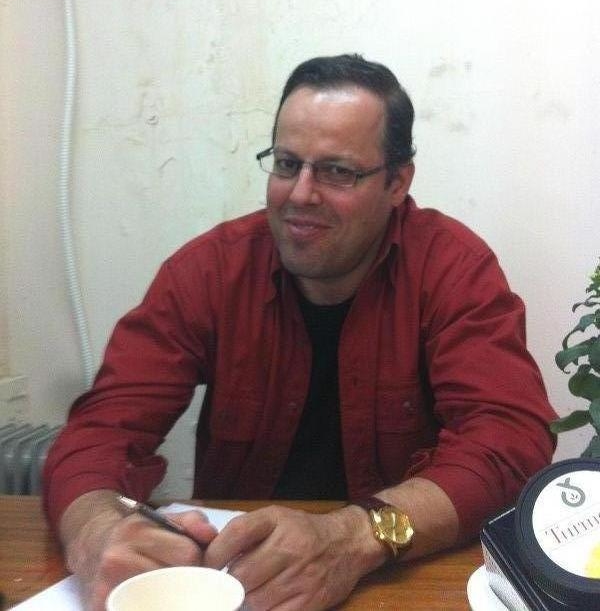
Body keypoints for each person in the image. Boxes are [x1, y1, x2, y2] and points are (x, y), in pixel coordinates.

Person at [43, 54, 556, 611]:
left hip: (398, 582)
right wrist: (96, 531)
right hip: (239, 583)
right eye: (287, 164)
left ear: (397, 183)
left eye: (337, 171)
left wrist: (354, 538)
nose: (300, 194)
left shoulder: (451, 267)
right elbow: (103, 428)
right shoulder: (211, 270)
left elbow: (509, 440)